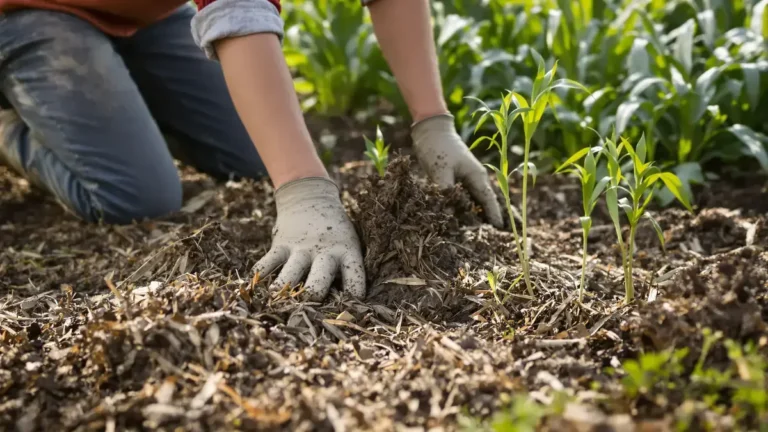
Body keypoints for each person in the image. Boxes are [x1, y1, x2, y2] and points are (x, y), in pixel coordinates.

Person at [0, 0, 503, 300]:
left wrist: (433, 124)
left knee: (252, 154)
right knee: (137, 194)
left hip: (150, 14)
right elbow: (238, 10)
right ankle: (12, 123)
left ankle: (103, 108)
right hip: (34, 10)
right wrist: (304, 191)